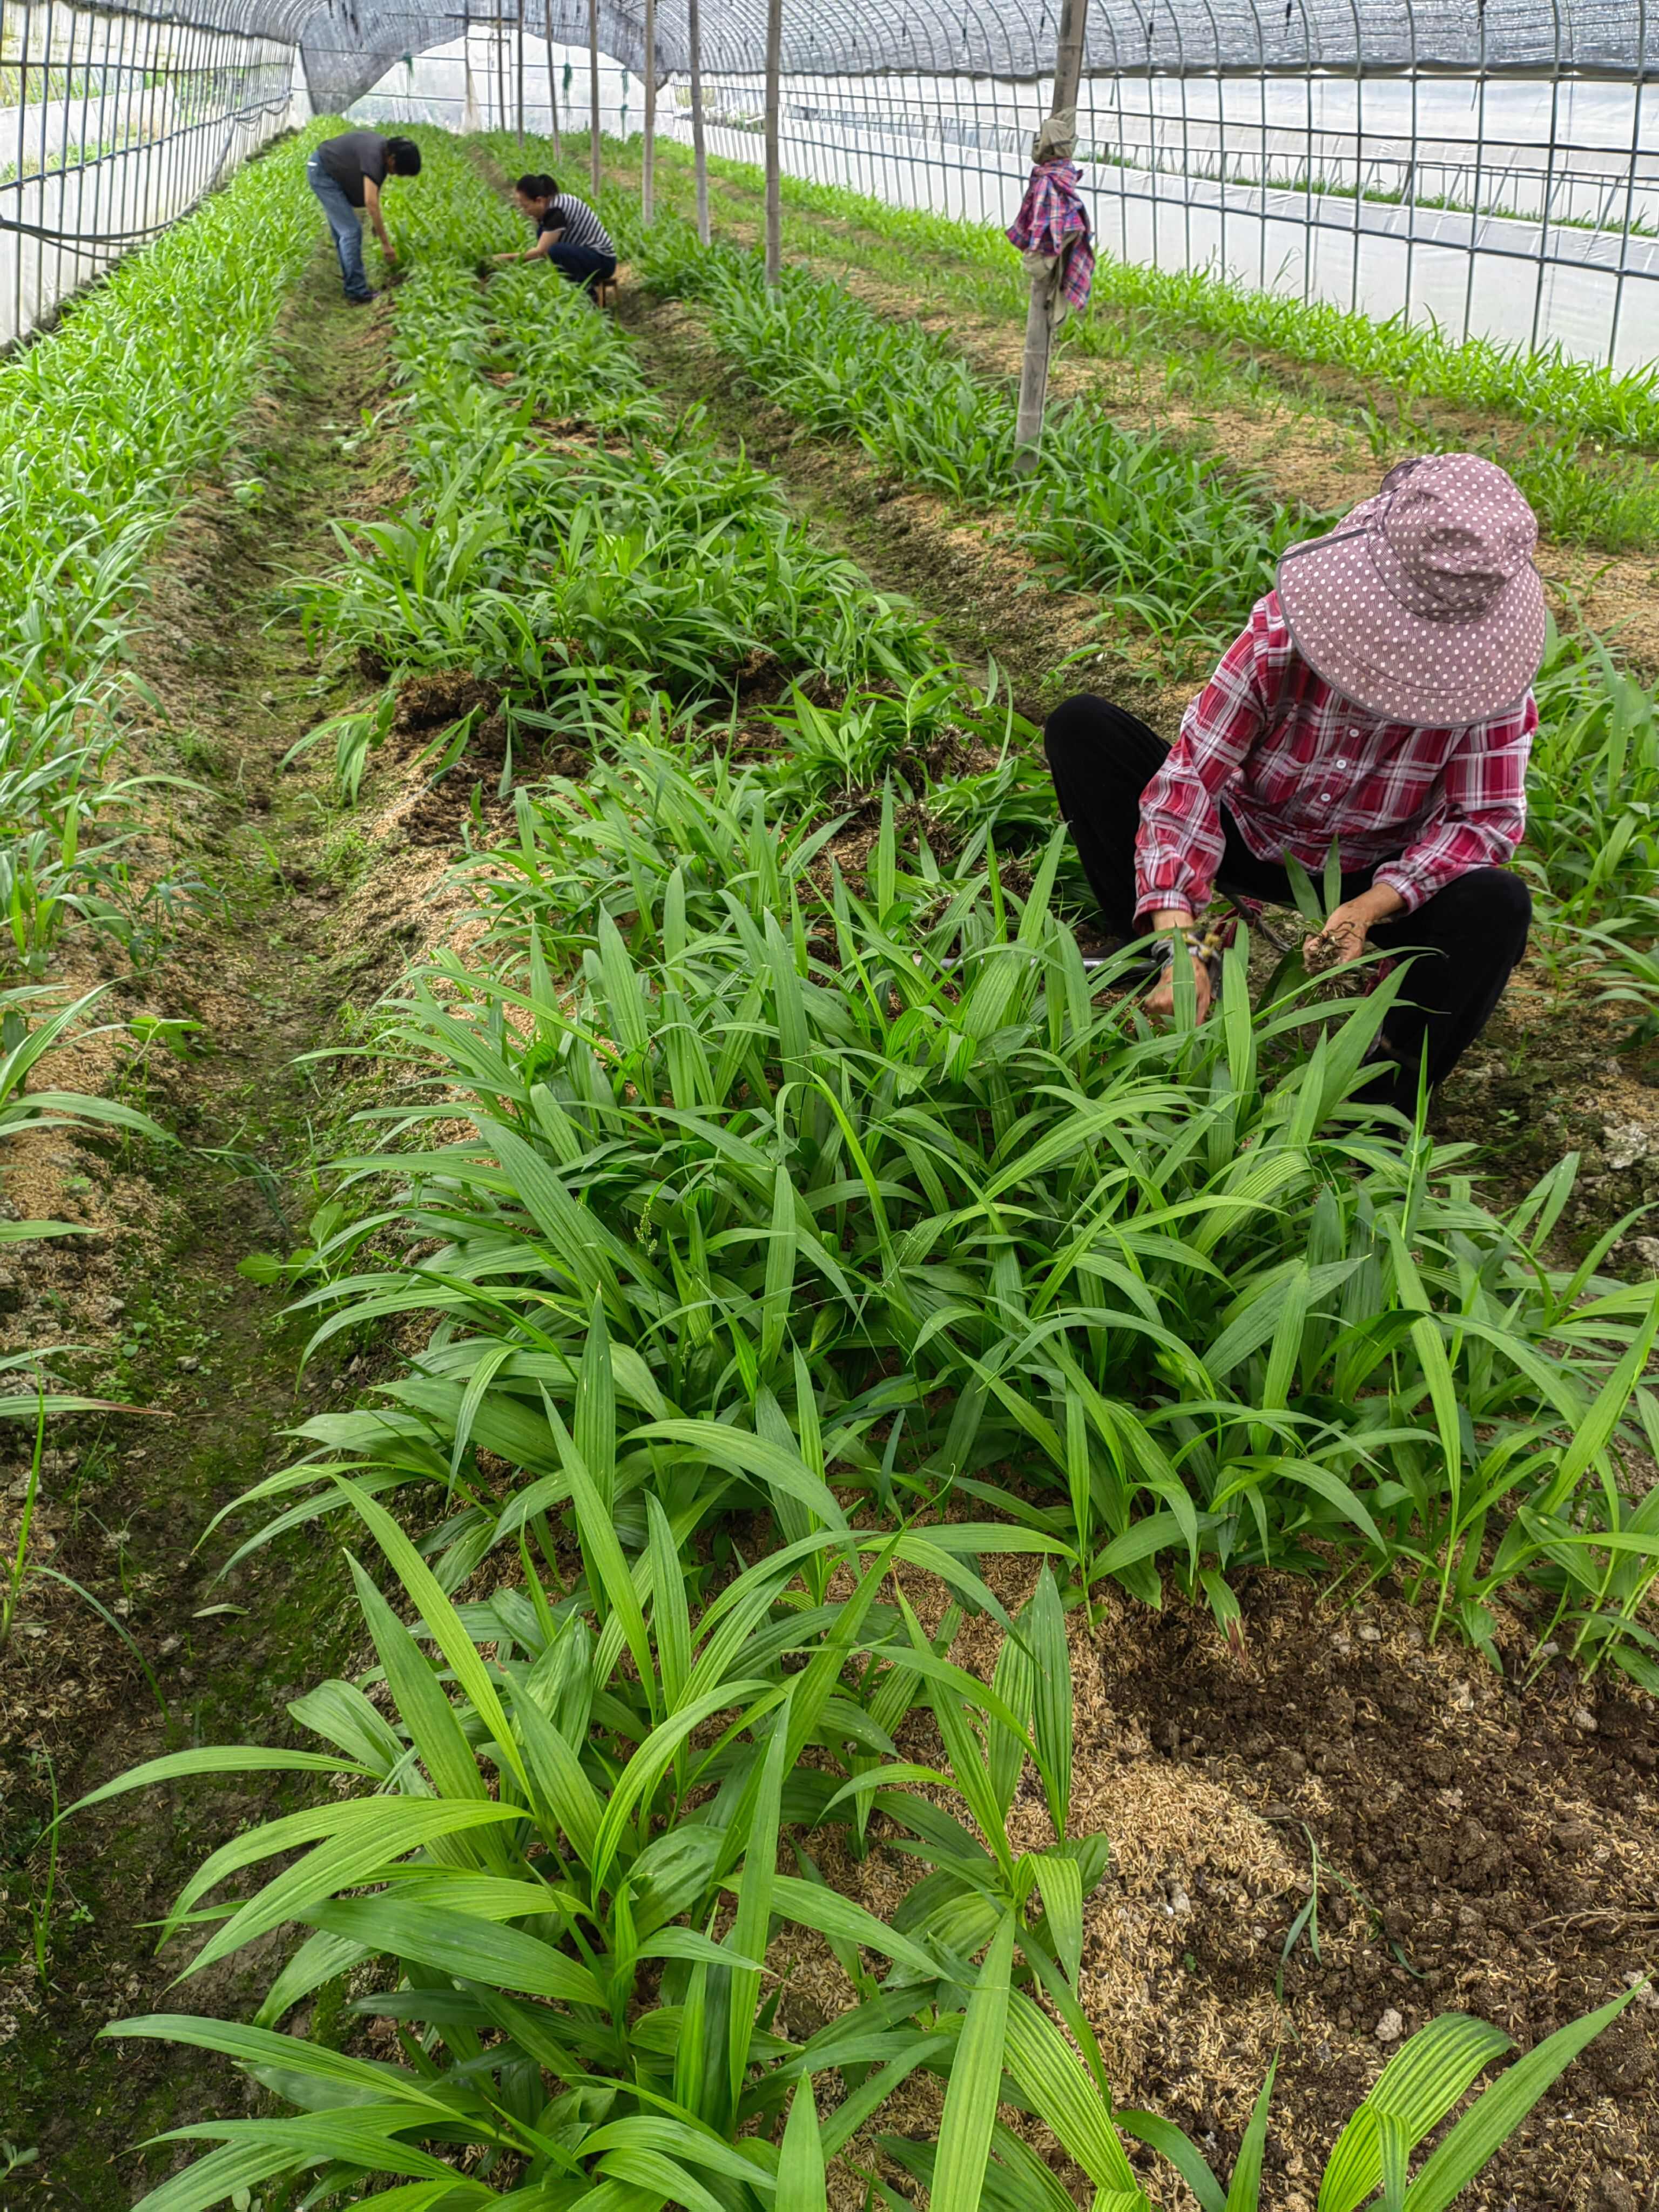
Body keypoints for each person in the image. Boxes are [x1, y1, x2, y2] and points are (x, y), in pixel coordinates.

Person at [1044, 451, 1546, 1118]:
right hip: (1251, 829)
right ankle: (1165, 955)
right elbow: (1191, 782)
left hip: (1376, 870)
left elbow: (1483, 822)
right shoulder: (1282, 635)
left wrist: (1370, 908)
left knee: (1499, 904)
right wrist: (1181, 942)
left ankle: (1376, 1103)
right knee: (1085, 729)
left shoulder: (1491, 688)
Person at [306, 130, 422, 305]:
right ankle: (357, 292)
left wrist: (377, 223)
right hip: (324, 173)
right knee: (351, 232)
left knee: (343, 232)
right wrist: (386, 245)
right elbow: (371, 202)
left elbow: (373, 191)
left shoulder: (382, 149)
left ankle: (351, 284)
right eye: (398, 170)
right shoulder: (374, 156)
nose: (395, 174)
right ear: (392, 158)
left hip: (328, 170)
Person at [494, 173, 618, 295]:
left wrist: (505, 258)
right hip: (588, 256)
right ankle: (574, 289)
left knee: (556, 251)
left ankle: (587, 296)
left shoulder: (556, 211)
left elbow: (541, 252)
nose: (526, 212)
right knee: (545, 237)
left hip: (603, 261)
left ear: (539, 200)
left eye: (526, 207)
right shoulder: (553, 204)